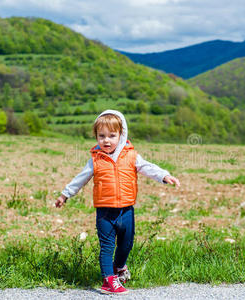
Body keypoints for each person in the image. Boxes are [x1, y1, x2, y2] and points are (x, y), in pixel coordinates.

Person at [55, 110, 180, 295]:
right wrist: (65, 195)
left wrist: (164, 175)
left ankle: (119, 267)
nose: (106, 140)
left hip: (127, 210)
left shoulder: (131, 155)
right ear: (96, 136)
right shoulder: (95, 159)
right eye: (101, 136)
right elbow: (80, 179)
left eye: (112, 136)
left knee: (126, 244)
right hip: (105, 212)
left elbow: (148, 167)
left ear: (121, 135)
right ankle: (108, 281)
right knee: (107, 246)